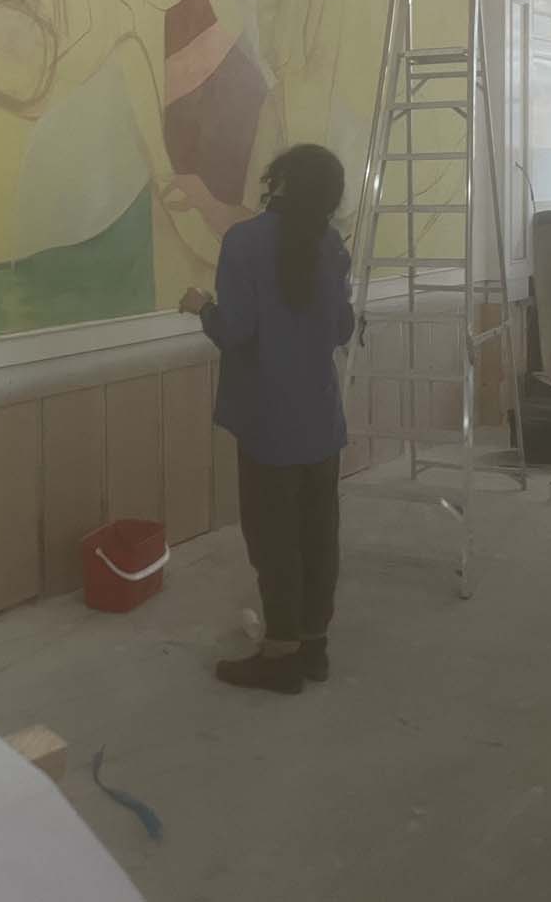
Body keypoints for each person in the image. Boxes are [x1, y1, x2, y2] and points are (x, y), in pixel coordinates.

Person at [180, 143, 354, 694]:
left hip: (267, 420)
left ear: (278, 183)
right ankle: (312, 649)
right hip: (319, 418)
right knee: (318, 534)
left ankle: (280, 658)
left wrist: (201, 306)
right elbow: (342, 327)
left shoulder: (244, 241)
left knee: (274, 539)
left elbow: (235, 331)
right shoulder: (331, 245)